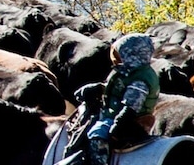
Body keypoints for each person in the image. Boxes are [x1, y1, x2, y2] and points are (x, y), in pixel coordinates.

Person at [67, 33, 159, 165]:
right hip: (116, 114)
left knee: (97, 134)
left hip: (131, 121)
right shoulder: (129, 72)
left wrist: (118, 123)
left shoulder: (140, 79)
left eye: (119, 54)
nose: (116, 58)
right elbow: (119, 89)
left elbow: (131, 106)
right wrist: (99, 88)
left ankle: (98, 162)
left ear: (130, 54)